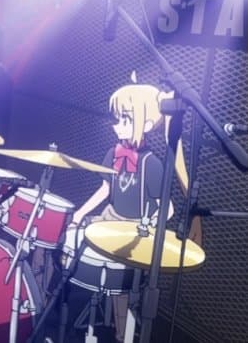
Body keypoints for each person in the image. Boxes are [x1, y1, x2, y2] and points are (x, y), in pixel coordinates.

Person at [71, 72, 201, 342]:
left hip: (133, 230)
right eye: (117, 119)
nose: (117, 126)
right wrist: (80, 214)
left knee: (121, 287)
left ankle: (123, 334)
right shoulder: (114, 153)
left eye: (126, 119)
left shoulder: (151, 164)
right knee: (70, 235)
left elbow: (168, 208)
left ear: (147, 122)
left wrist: (148, 224)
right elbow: (106, 189)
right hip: (110, 219)